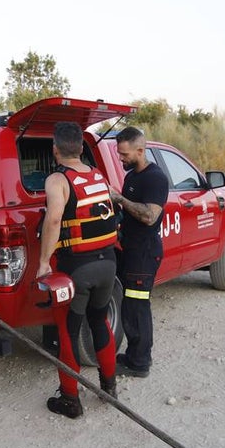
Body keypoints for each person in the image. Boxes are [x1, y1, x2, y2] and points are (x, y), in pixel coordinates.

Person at [36, 121, 119, 419]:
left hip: (77, 269)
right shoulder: (98, 176)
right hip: (108, 264)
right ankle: (109, 389)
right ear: (82, 148)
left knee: (68, 332)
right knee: (99, 322)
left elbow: (54, 221)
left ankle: (70, 400)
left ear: (55, 150)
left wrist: (44, 263)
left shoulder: (57, 180)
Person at [107, 126, 170, 379]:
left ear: (140, 151)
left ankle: (140, 363)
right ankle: (134, 355)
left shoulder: (155, 178)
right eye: (119, 153)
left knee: (138, 307)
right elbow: (129, 212)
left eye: (124, 154)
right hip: (131, 251)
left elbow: (148, 215)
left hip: (144, 253)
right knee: (130, 305)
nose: (120, 159)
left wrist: (120, 199)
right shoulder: (132, 176)